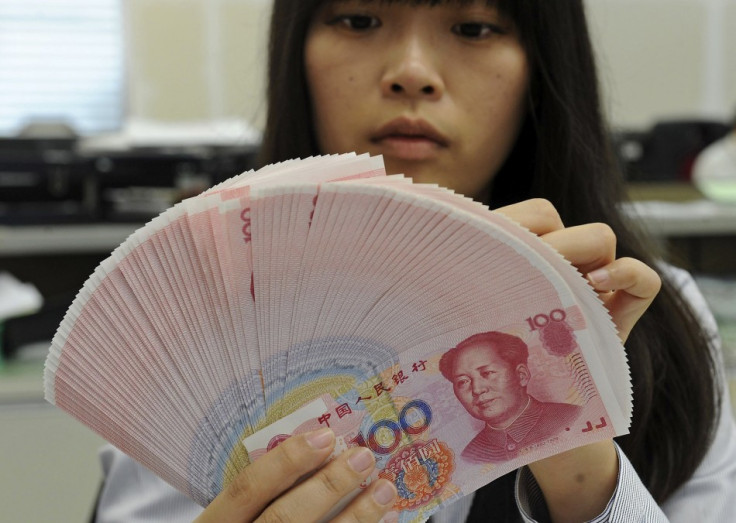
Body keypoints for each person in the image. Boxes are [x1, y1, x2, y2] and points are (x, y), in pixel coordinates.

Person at [94, 1, 736, 522]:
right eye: (359, 20)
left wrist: (581, 468)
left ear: (542, 66)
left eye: (473, 27)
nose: (411, 71)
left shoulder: (650, 315)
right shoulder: (195, 321)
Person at [438, 331, 582, 464]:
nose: (477, 389)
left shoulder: (574, 418)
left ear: (521, 375)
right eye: (463, 381)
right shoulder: (470, 456)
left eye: (487, 373)